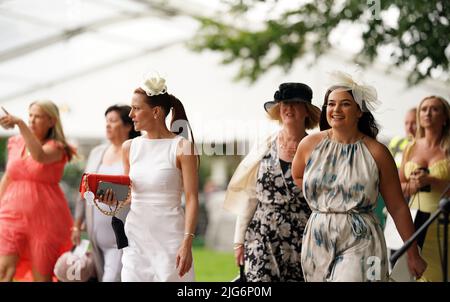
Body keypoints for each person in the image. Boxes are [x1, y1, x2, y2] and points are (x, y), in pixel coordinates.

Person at [292, 71, 427, 282]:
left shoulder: (377, 152)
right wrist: (328, 199)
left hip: (361, 238)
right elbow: (298, 175)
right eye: (331, 104)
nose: (336, 109)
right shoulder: (309, 145)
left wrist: (413, 253)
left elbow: (398, 206)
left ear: (359, 111)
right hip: (318, 237)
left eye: (345, 104)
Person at [102, 73, 199, 281]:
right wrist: (112, 199)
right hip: (136, 240)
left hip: (171, 241)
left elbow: (191, 199)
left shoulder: (182, 147)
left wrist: (187, 243)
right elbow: (129, 195)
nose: (131, 114)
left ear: (155, 111)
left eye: (136, 108)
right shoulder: (130, 147)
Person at [223, 82, 321, 281]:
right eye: (284, 103)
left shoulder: (318, 149)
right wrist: (238, 241)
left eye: (295, 103)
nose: (288, 108)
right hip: (261, 237)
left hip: (303, 241)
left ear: (307, 111)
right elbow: (251, 196)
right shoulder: (264, 146)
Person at [0, 100, 75, 282]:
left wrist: (20, 123)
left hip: (45, 221)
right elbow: (8, 176)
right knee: (3, 271)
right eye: (30, 116)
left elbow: (39, 155)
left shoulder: (58, 147)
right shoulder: (15, 143)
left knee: (41, 276)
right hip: (11, 214)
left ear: (51, 121)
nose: (32, 120)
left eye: (38, 116)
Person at [71, 105, 140, 282]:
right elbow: (83, 191)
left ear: (128, 126)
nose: (107, 125)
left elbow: (138, 192)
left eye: (113, 121)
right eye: (106, 121)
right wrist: (77, 225)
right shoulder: (97, 152)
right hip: (96, 241)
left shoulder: (136, 154)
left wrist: (118, 200)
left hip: (121, 238)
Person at [399, 95, 450, 281]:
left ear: (445, 117)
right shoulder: (410, 148)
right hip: (415, 224)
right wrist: (411, 186)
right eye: (424, 109)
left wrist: (433, 180)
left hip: (444, 224)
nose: (427, 113)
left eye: (434, 109)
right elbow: (398, 187)